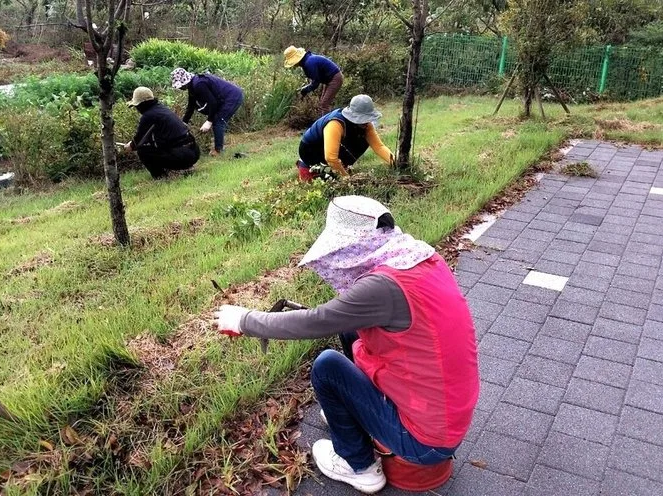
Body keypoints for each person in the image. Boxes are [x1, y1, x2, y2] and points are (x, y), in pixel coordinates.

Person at [214, 196, 480, 494]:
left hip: (425, 441)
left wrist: (245, 320)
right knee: (352, 329)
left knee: (327, 367)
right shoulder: (417, 257)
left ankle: (358, 464)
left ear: (351, 244)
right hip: (446, 413)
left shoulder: (382, 288)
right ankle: (357, 414)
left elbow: (316, 321)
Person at [296, 94, 394, 182]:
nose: (366, 122)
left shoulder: (366, 125)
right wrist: (346, 179)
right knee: (323, 180)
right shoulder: (335, 124)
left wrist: (395, 162)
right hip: (311, 151)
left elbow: (379, 147)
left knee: (362, 140)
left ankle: (340, 168)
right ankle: (304, 166)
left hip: (331, 152)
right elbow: (330, 158)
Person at [124, 87, 200, 179]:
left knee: (142, 151)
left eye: (136, 106)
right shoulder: (162, 108)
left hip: (183, 156)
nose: (136, 108)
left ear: (141, 104)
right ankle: (178, 169)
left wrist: (130, 146)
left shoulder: (148, 116)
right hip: (194, 151)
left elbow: (138, 141)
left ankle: (160, 178)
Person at [170, 67, 245, 156]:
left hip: (232, 97)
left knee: (218, 121)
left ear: (184, 82)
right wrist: (184, 123)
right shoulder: (193, 86)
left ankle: (218, 151)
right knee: (216, 119)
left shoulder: (199, 84)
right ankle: (219, 148)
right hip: (224, 98)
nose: (179, 88)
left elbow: (213, 103)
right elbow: (191, 106)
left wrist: (209, 121)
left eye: (180, 86)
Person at [284, 45, 343, 116]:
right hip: (330, 79)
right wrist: (304, 89)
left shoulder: (309, 63)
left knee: (324, 104)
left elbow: (316, 83)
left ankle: (327, 122)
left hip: (334, 79)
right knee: (322, 103)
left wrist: (305, 89)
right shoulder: (307, 60)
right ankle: (324, 120)